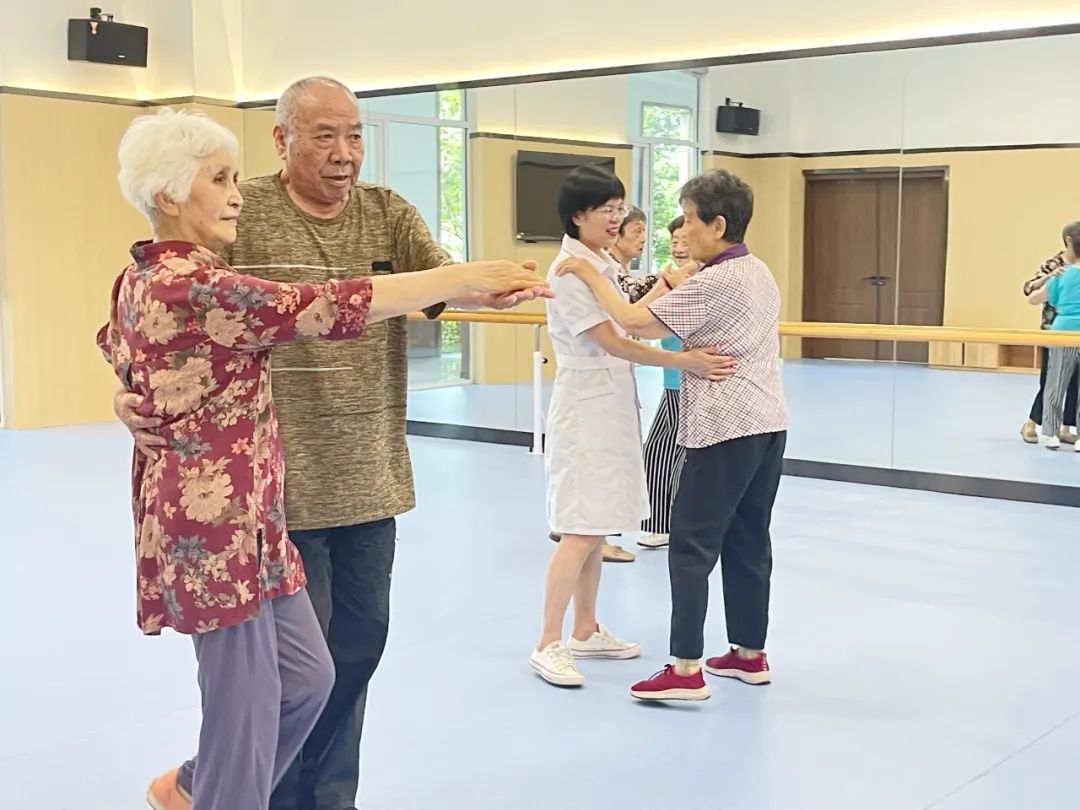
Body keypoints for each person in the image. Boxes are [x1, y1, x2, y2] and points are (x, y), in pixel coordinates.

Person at [113, 77, 548, 810]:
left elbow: (433, 283)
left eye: (355, 135)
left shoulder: (384, 212)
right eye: (324, 135)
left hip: (353, 480)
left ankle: (282, 792)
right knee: (256, 688)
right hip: (254, 509)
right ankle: (241, 792)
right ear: (282, 140)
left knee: (335, 665)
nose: (344, 152)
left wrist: (478, 285)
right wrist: (131, 393)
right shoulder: (224, 237)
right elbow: (302, 308)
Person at [556, 169, 788, 702]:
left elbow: (634, 323)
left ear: (717, 225)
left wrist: (589, 273)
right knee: (749, 539)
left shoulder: (712, 282)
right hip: (768, 423)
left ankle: (685, 669)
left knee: (690, 544)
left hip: (725, 428)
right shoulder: (756, 271)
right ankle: (749, 654)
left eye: (687, 220)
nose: (681, 231)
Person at [530, 165, 735, 688]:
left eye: (619, 209)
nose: (616, 219)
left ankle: (585, 628)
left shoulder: (599, 262)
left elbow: (628, 315)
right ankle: (548, 641)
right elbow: (613, 340)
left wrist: (667, 283)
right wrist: (683, 360)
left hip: (611, 400)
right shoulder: (569, 271)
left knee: (597, 524)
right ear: (579, 216)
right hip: (585, 402)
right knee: (579, 527)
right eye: (607, 211)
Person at [638, 215, 699, 551]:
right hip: (674, 381)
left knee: (675, 456)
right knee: (660, 452)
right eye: (674, 241)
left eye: (685, 240)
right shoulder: (668, 279)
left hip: (692, 382)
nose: (678, 247)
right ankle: (663, 523)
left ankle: (675, 525)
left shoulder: (704, 280)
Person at [1021, 222, 1080, 445]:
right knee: (1050, 381)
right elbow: (1029, 289)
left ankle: (1065, 428)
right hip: (1053, 330)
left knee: (1074, 383)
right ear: (1068, 241)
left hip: (1070, 330)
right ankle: (1031, 423)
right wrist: (1049, 278)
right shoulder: (1054, 264)